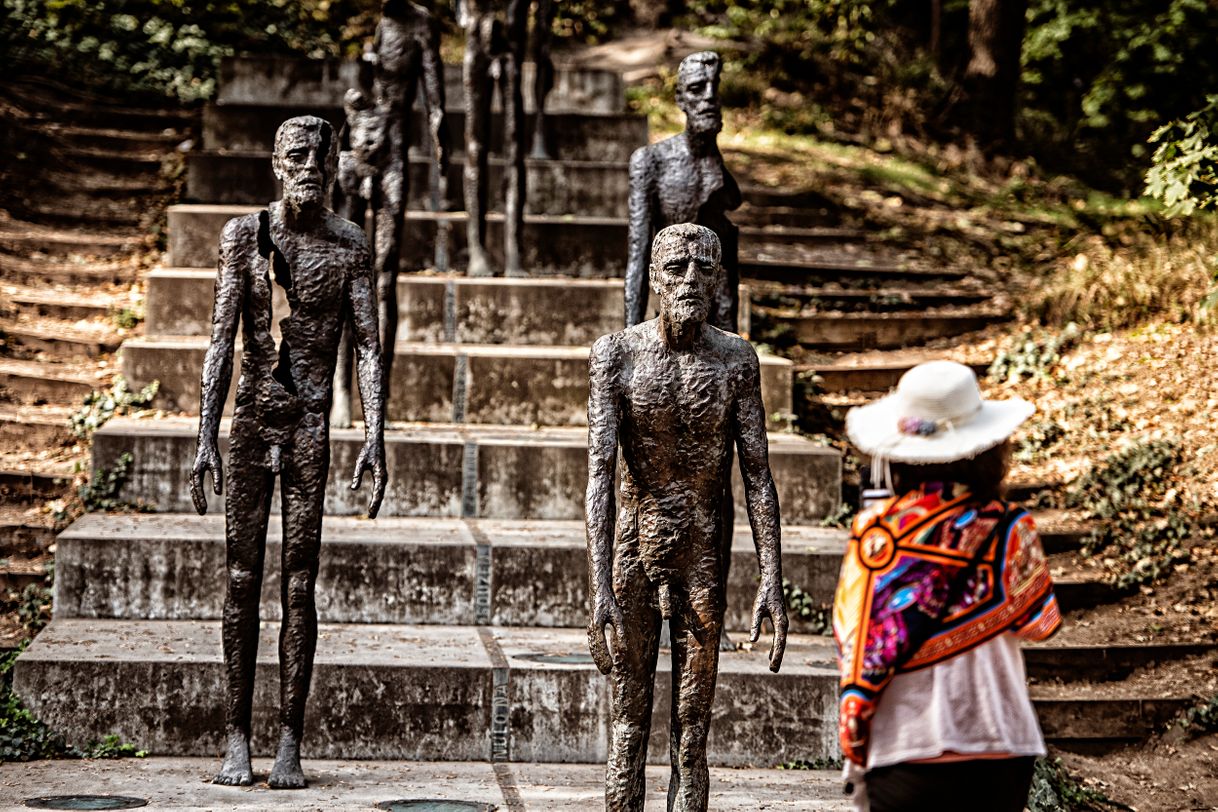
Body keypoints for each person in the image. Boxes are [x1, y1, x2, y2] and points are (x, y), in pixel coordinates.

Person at [189, 116, 387, 789]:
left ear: (335, 167)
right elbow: (221, 339)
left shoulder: (349, 245)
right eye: (296, 155)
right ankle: (236, 734)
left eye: (320, 156)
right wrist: (203, 437)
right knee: (242, 580)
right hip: (250, 423)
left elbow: (367, 344)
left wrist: (375, 435)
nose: (309, 166)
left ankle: (289, 741)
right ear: (277, 162)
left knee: (299, 583)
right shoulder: (243, 236)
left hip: (309, 427)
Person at [585, 224, 788, 811]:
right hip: (633, 544)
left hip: (702, 550)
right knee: (627, 728)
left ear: (720, 279)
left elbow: (757, 475)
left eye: (704, 267)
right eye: (676, 268)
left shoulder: (735, 361)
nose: (691, 279)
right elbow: (599, 476)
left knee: (692, 736)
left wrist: (770, 577)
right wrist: (599, 587)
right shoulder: (616, 356)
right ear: (652, 279)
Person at [833, 360, 1060, 812]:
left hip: (903, 746)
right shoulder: (1011, 529)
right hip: (998, 743)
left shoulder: (874, 537)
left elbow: (854, 638)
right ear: (989, 448)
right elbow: (1041, 623)